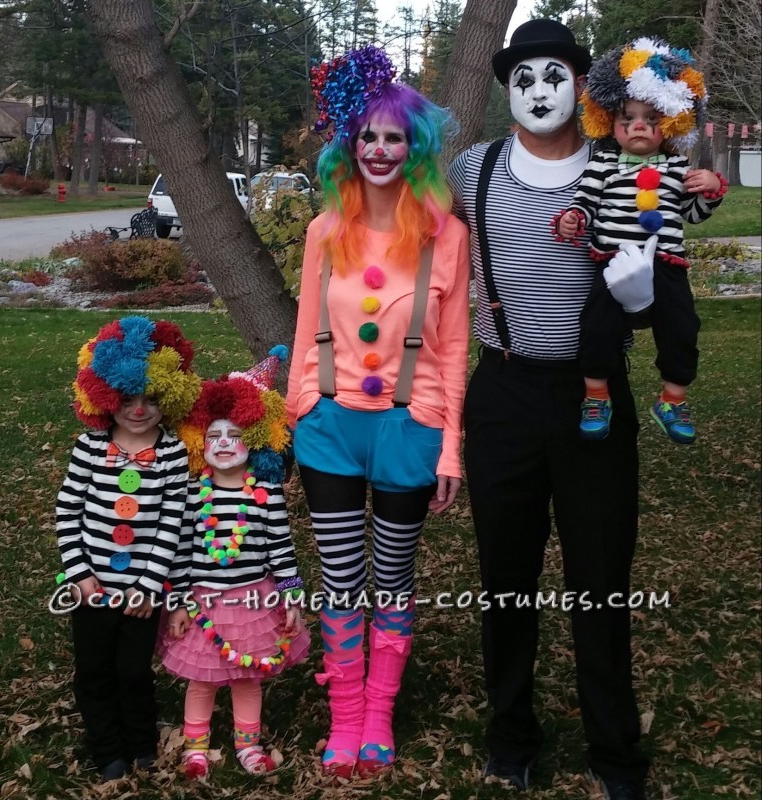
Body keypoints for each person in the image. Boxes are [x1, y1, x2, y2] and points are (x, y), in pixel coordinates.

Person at [448, 19, 657, 800]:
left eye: (554, 75)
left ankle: (615, 754)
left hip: (594, 395)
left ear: (581, 84)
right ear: (508, 89)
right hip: (502, 391)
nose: (539, 90)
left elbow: (660, 267)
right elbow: (413, 242)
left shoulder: (619, 166)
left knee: (601, 579)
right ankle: (512, 738)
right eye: (523, 78)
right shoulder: (474, 168)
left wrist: (639, 301)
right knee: (506, 577)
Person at [287, 45, 470, 779]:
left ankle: (380, 715)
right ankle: (344, 715)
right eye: (368, 136)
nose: (380, 149)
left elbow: (455, 351)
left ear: (414, 148)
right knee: (339, 578)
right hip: (329, 429)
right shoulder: (324, 231)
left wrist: (450, 446)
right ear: (349, 146)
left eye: (395, 138)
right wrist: (302, 405)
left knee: (391, 577)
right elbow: (305, 330)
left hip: (409, 431)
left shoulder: (445, 236)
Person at [554, 37, 726, 443]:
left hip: (667, 263)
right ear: (609, 122)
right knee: (597, 326)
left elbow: (692, 216)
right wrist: (572, 219)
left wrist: (711, 190)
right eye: (627, 117)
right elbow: (585, 202)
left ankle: (673, 398)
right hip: (612, 263)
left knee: (683, 326)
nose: (638, 125)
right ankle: (596, 396)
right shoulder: (604, 163)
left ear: (670, 122)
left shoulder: (678, 166)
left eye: (651, 118)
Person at [55, 316, 201, 781]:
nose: (139, 410)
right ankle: (107, 748)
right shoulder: (89, 448)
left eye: (152, 400)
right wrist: (79, 574)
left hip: (143, 593)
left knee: (134, 671)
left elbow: (175, 525)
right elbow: (67, 513)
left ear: (169, 398)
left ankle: (140, 742)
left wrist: (149, 586)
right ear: (106, 398)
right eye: (128, 399)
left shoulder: (174, 454)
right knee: (94, 670)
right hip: (91, 588)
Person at [161, 347, 310, 780]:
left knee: (247, 678)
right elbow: (181, 553)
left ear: (256, 439)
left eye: (235, 435)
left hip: (253, 603)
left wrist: (292, 598)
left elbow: (282, 550)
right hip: (203, 602)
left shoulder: (266, 494)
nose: (224, 444)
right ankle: (196, 748)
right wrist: (179, 602)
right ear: (198, 442)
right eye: (214, 436)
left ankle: (249, 744)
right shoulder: (192, 495)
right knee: (203, 679)